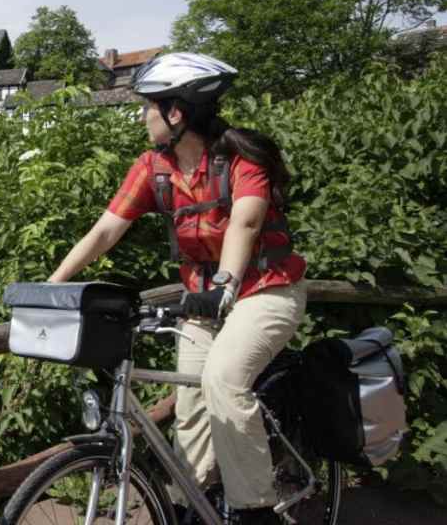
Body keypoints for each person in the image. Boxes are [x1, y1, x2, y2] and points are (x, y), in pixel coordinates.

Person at [47, 53, 307, 525]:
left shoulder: (241, 160)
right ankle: (195, 505)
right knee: (190, 407)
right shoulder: (154, 169)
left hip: (265, 291)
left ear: (176, 113)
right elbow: (105, 231)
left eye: (149, 106)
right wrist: (51, 287)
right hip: (202, 302)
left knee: (224, 380)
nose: (142, 115)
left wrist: (224, 283)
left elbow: (245, 223)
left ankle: (255, 510)